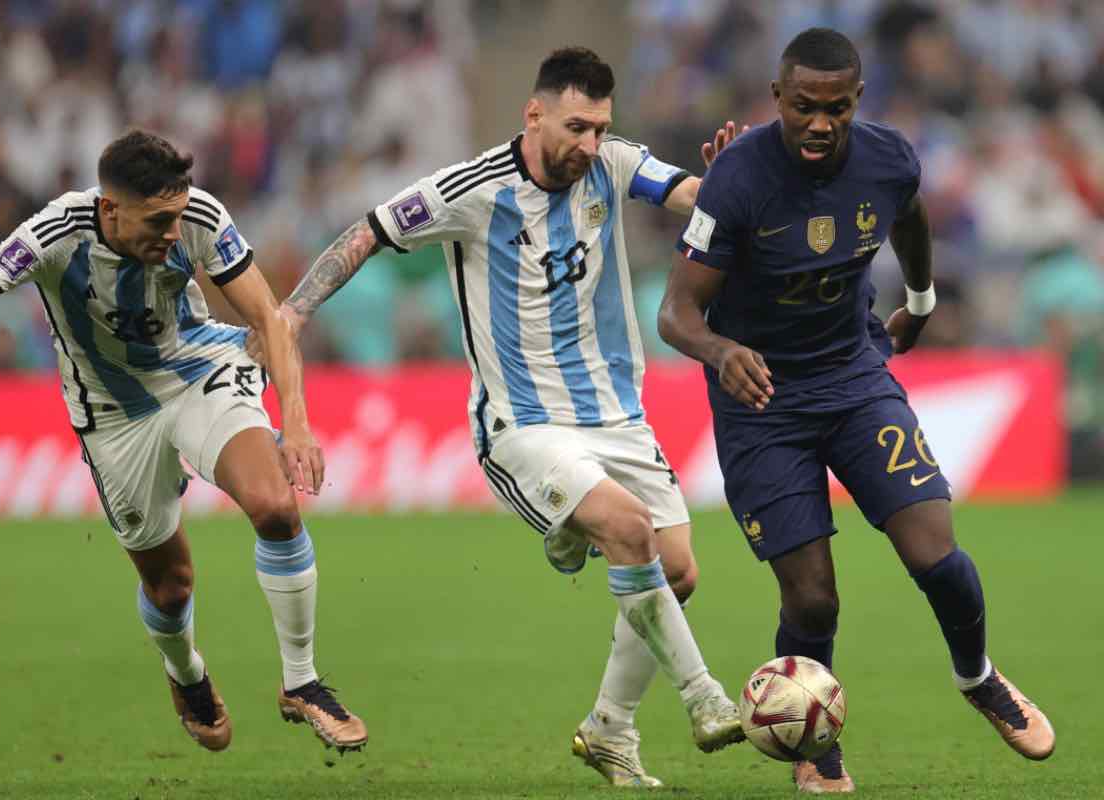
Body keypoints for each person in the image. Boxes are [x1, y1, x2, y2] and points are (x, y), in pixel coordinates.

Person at [256, 47, 746, 787]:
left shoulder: (613, 163)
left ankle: (609, 727)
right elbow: (369, 233)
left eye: (599, 128)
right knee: (629, 529)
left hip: (616, 414)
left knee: (675, 572)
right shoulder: (472, 189)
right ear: (534, 114)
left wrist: (734, 184)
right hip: (523, 423)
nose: (589, 144)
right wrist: (292, 313)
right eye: (576, 127)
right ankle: (703, 694)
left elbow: (687, 194)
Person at [657, 28, 1055, 793]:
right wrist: (720, 351)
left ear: (857, 100)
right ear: (778, 97)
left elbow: (909, 215)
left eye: (836, 108)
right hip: (762, 402)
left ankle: (978, 677)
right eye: (804, 106)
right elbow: (676, 313)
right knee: (812, 597)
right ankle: (816, 743)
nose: (820, 122)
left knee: (936, 550)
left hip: (852, 377)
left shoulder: (888, 158)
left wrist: (921, 299)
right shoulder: (737, 178)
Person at [0, 130, 366, 756]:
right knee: (170, 585)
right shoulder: (56, 233)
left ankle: (303, 682)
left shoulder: (199, 215)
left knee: (274, 505)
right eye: (158, 221)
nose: (174, 233)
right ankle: (185, 673)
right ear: (110, 209)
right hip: (112, 413)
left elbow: (268, 318)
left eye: (177, 216)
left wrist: (295, 423)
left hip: (197, 370)